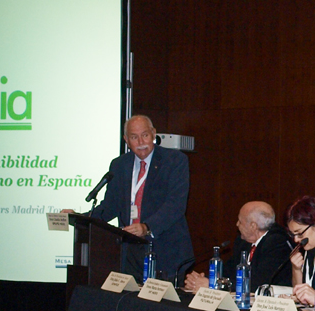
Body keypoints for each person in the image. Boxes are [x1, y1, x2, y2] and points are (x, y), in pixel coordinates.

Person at [76, 115, 193, 281]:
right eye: (134, 137)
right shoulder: (119, 165)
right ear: (126, 140)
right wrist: (81, 218)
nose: (141, 141)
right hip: (130, 253)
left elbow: (176, 205)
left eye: (145, 135)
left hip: (166, 252)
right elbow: (110, 206)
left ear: (153, 134)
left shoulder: (175, 161)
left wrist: (147, 227)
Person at [183, 201, 291, 292]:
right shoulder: (243, 242)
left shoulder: (277, 243)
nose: (237, 224)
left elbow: (258, 283)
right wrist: (200, 280)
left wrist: (213, 285)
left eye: (240, 221)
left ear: (253, 226)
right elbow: (228, 271)